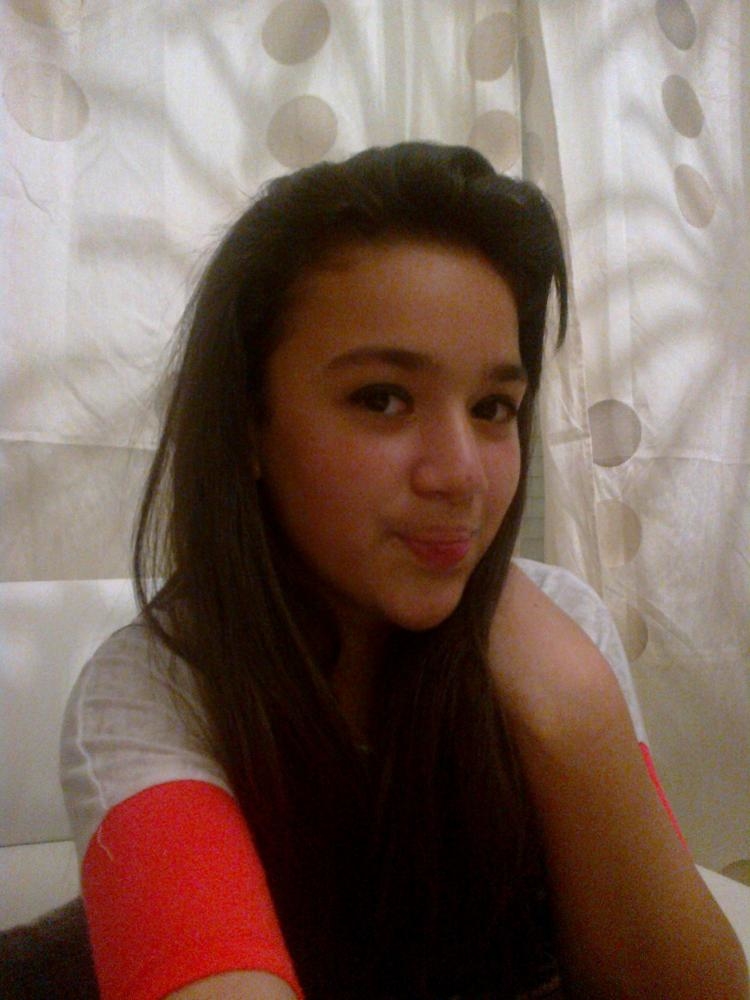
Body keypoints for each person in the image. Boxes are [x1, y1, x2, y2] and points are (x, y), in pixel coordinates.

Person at [60, 142, 748, 1000]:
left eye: (493, 407)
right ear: (247, 427)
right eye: (381, 398)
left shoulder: (563, 625)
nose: (461, 475)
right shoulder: (156, 689)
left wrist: (575, 711)